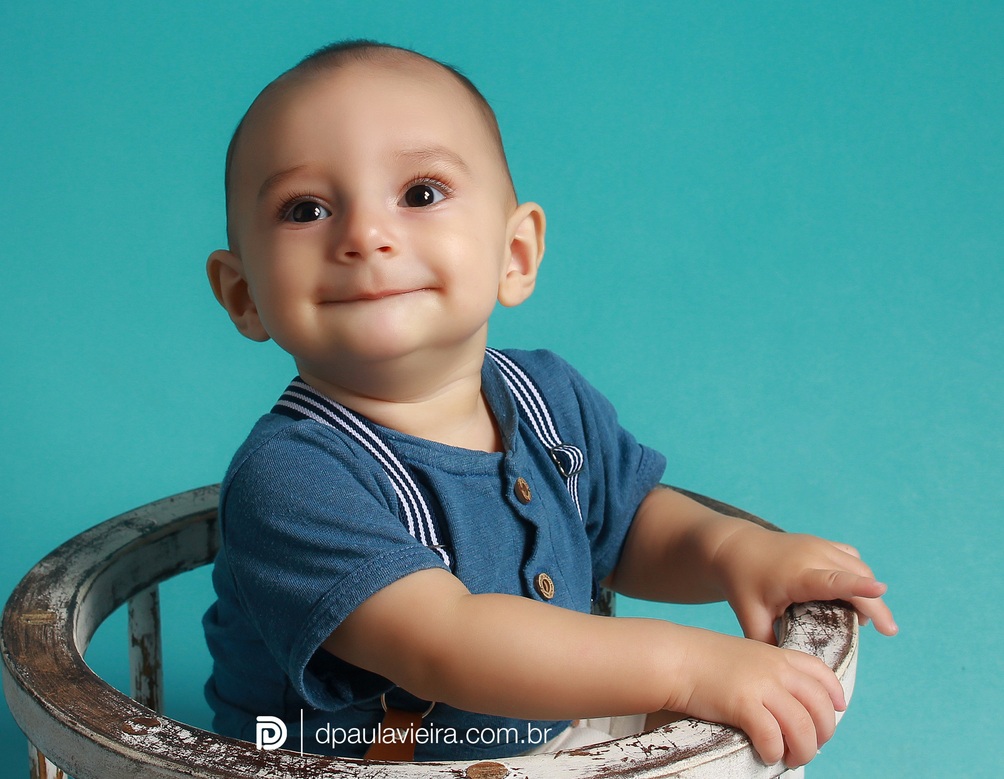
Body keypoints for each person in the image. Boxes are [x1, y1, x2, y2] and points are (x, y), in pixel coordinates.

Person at [202, 40, 896, 769]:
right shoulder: (291, 478)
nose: (366, 236)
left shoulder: (545, 396)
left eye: (420, 193)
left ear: (516, 255)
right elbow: (447, 641)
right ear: (244, 294)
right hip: (349, 761)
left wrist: (733, 551)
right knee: (708, 694)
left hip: (537, 739)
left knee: (747, 730)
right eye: (306, 208)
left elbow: (628, 526)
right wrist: (689, 665)